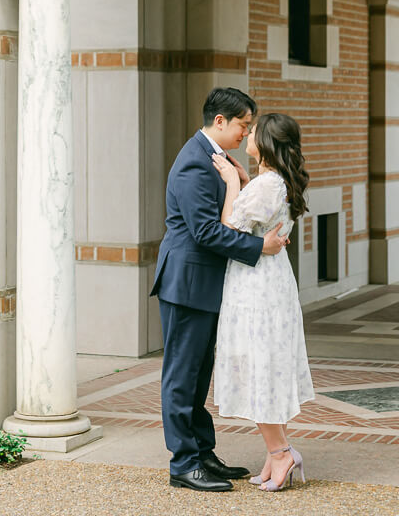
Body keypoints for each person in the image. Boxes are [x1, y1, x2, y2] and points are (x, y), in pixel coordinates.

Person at [151, 87, 288, 492]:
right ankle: (184, 464)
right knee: (181, 377)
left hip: (208, 285)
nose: (246, 135)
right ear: (221, 121)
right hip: (187, 284)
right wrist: (258, 247)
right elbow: (206, 231)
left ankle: (202, 453)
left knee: (198, 375)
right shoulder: (195, 162)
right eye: (243, 126)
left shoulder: (219, 158)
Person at [212, 110, 314, 492]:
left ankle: (282, 451)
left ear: (266, 141)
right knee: (264, 367)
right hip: (270, 282)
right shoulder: (275, 182)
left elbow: (229, 230)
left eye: (253, 130)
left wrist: (231, 185)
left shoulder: (264, 186)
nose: (247, 133)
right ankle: (276, 455)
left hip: (256, 288)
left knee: (257, 367)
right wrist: (244, 181)